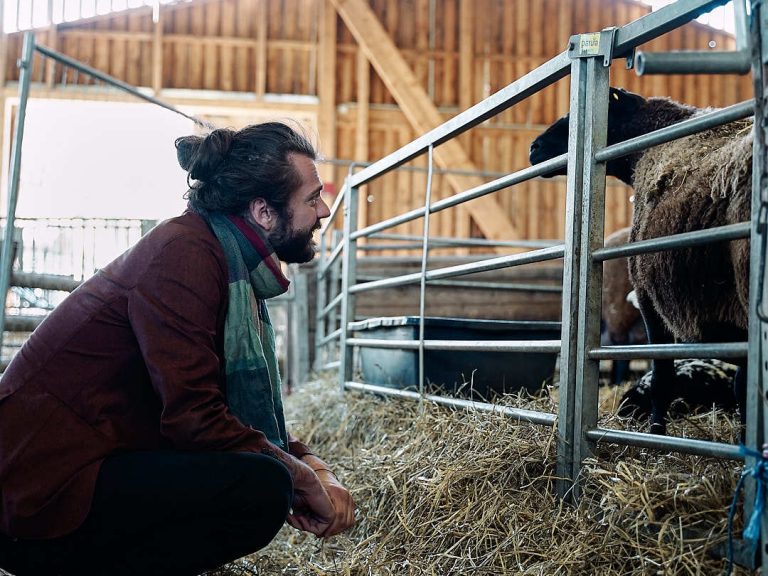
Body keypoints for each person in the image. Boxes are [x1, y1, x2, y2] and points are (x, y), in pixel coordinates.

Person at [0, 121, 355, 576]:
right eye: (311, 198)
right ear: (263, 211)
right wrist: (299, 476)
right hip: (42, 494)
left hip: (86, 467)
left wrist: (308, 461)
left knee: (269, 475)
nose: (323, 210)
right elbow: (194, 417)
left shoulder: (215, 254)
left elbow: (215, 408)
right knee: (262, 488)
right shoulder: (185, 257)